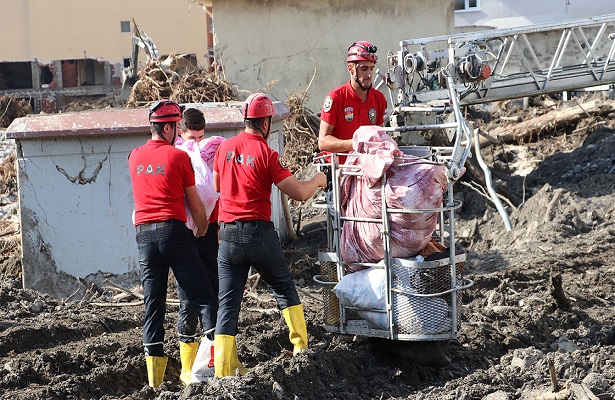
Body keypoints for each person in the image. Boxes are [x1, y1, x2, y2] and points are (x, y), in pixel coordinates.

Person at [212, 93, 327, 377]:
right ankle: (301, 349)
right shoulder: (267, 153)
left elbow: (217, 185)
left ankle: (223, 371)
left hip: (227, 237)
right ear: (265, 123)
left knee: (227, 304)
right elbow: (299, 193)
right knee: (284, 288)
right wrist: (319, 179)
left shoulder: (224, 148)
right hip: (258, 234)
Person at [128, 99, 217, 388]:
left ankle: (155, 384)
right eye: (176, 127)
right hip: (173, 233)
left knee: (153, 307)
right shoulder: (180, 158)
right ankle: (216, 364)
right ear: (166, 128)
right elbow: (195, 203)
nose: (178, 132)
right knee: (204, 297)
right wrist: (202, 228)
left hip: (144, 236)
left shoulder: (134, 156)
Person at [317, 41, 388, 249]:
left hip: (368, 180)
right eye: (364, 68)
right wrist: (355, 144)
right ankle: (343, 276)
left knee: (373, 233)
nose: (369, 74)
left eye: (372, 69)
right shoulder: (336, 98)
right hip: (341, 178)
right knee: (343, 235)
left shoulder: (379, 99)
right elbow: (323, 141)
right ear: (351, 69)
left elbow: (380, 136)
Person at [174, 107, 222, 385]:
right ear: (181, 132)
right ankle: (187, 368)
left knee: (214, 292)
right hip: (185, 234)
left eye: (201, 136)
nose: (198, 142)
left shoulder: (211, 150)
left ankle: (212, 359)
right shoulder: (179, 155)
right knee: (187, 300)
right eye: (193, 137)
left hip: (209, 231)